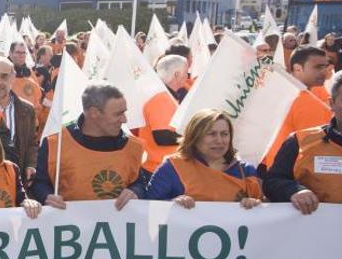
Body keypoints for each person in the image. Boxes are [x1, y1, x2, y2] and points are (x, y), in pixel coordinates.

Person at [32, 83, 147, 210]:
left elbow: (139, 182)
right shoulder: (55, 144)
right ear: (94, 113)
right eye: (118, 114)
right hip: (71, 225)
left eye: (124, 112)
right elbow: (39, 182)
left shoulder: (132, 146)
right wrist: (46, 196)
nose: (124, 120)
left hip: (117, 225)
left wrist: (135, 191)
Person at [145, 109, 262, 209]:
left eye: (225, 134)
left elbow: (265, 212)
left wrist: (254, 204)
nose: (219, 140)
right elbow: (146, 208)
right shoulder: (173, 167)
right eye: (211, 134)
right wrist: (171, 204)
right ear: (194, 137)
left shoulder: (246, 171)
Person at [264, 75, 342, 212]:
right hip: (314, 229)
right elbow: (272, 182)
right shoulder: (300, 141)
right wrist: (294, 191)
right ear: (331, 104)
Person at [262, 46, 333, 168]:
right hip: (296, 174)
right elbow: (316, 148)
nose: (324, 72)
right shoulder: (304, 100)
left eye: (325, 66)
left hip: (275, 169)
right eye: (318, 67)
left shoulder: (280, 90)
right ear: (297, 68)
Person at [137, 54, 187, 173]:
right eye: (186, 72)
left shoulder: (166, 96)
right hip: (158, 169)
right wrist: (193, 137)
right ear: (177, 75)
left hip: (164, 167)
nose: (187, 76)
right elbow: (162, 137)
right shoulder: (161, 99)